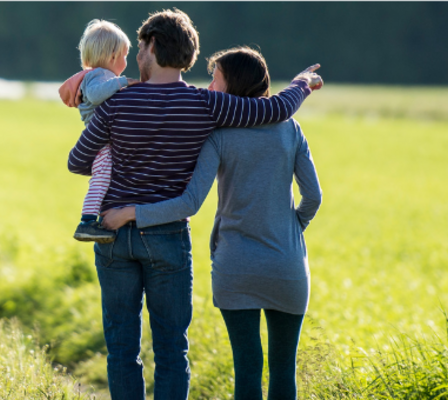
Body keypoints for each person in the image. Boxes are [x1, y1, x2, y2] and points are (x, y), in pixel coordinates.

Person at [66, 9, 323, 400]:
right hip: (167, 236)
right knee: (171, 348)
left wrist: (117, 160)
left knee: (122, 349)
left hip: (112, 233)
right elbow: (274, 110)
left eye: (140, 48)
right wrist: (302, 84)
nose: (137, 57)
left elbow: (76, 160)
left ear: (152, 46)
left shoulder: (119, 101)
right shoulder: (208, 106)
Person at [57, 19, 139, 243]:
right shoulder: (98, 76)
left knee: (106, 176)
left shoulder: (101, 76)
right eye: (124, 55)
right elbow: (95, 95)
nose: (125, 61)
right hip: (101, 142)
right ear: (113, 56)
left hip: (104, 138)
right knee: (101, 177)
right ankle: (87, 222)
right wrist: (122, 83)